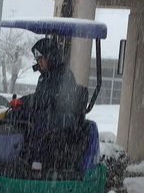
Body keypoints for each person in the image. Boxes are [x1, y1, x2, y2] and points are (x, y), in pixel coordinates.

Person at [6, 37, 85, 168]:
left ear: (50, 56)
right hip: (50, 111)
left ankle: (37, 162)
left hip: (65, 115)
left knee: (40, 120)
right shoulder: (44, 76)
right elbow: (40, 98)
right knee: (14, 116)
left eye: (41, 58)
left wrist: (23, 101)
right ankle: (10, 156)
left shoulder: (64, 75)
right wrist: (20, 106)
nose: (39, 62)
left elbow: (48, 98)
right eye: (37, 59)